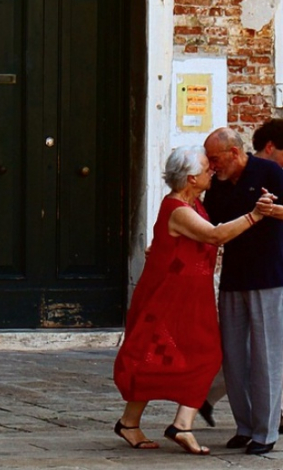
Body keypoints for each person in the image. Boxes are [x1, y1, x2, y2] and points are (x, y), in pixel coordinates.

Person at [113, 145, 268, 455]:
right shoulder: (180, 209)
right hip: (171, 299)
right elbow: (215, 236)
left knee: (177, 356)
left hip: (187, 297)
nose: (211, 170)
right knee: (191, 355)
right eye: (205, 168)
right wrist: (255, 215)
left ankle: (135, 423)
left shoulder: (193, 204)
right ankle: (178, 426)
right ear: (191, 178)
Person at [204, 127, 283, 455]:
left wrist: (270, 210)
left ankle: (266, 433)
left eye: (215, 158)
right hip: (234, 277)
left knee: (267, 355)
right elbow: (209, 223)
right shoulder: (218, 186)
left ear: (234, 153)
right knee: (235, 357)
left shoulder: (269, 172)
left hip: (269, 276)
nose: (212, 166)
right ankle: (245, 426)